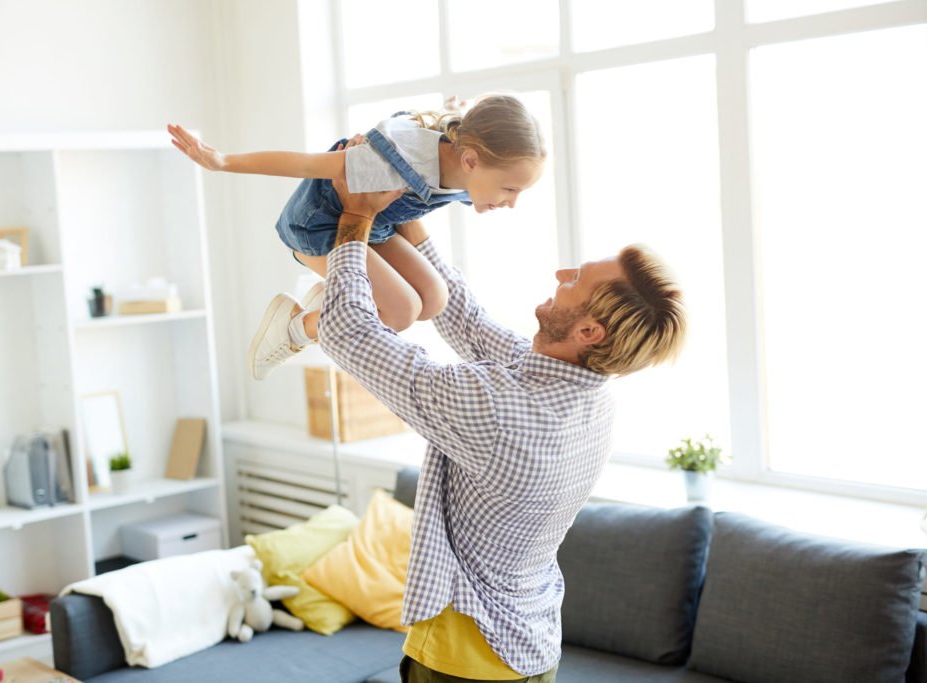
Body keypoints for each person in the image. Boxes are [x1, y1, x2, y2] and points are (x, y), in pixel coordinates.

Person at [318, 170, 687, 682]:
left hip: (467, 660)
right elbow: (468, 321)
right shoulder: (585, 393)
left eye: (575, 280)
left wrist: (356, 217)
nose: (561, 274)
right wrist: (412, 215)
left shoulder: (498, 410)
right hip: (528, 649)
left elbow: (348, 332)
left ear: (587, 330)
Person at [167, 94, 545, 380]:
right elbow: (306, 163)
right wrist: (224, 162)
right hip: (320, 228)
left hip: (373, 227)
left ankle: (332, 299)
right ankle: (296, 327)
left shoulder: (467, 161)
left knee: (434, 298)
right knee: (400, 311)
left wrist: (453, 106)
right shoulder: (395, 160)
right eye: (509, 189)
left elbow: (452, 128)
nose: (511, 203)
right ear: (471, 161)